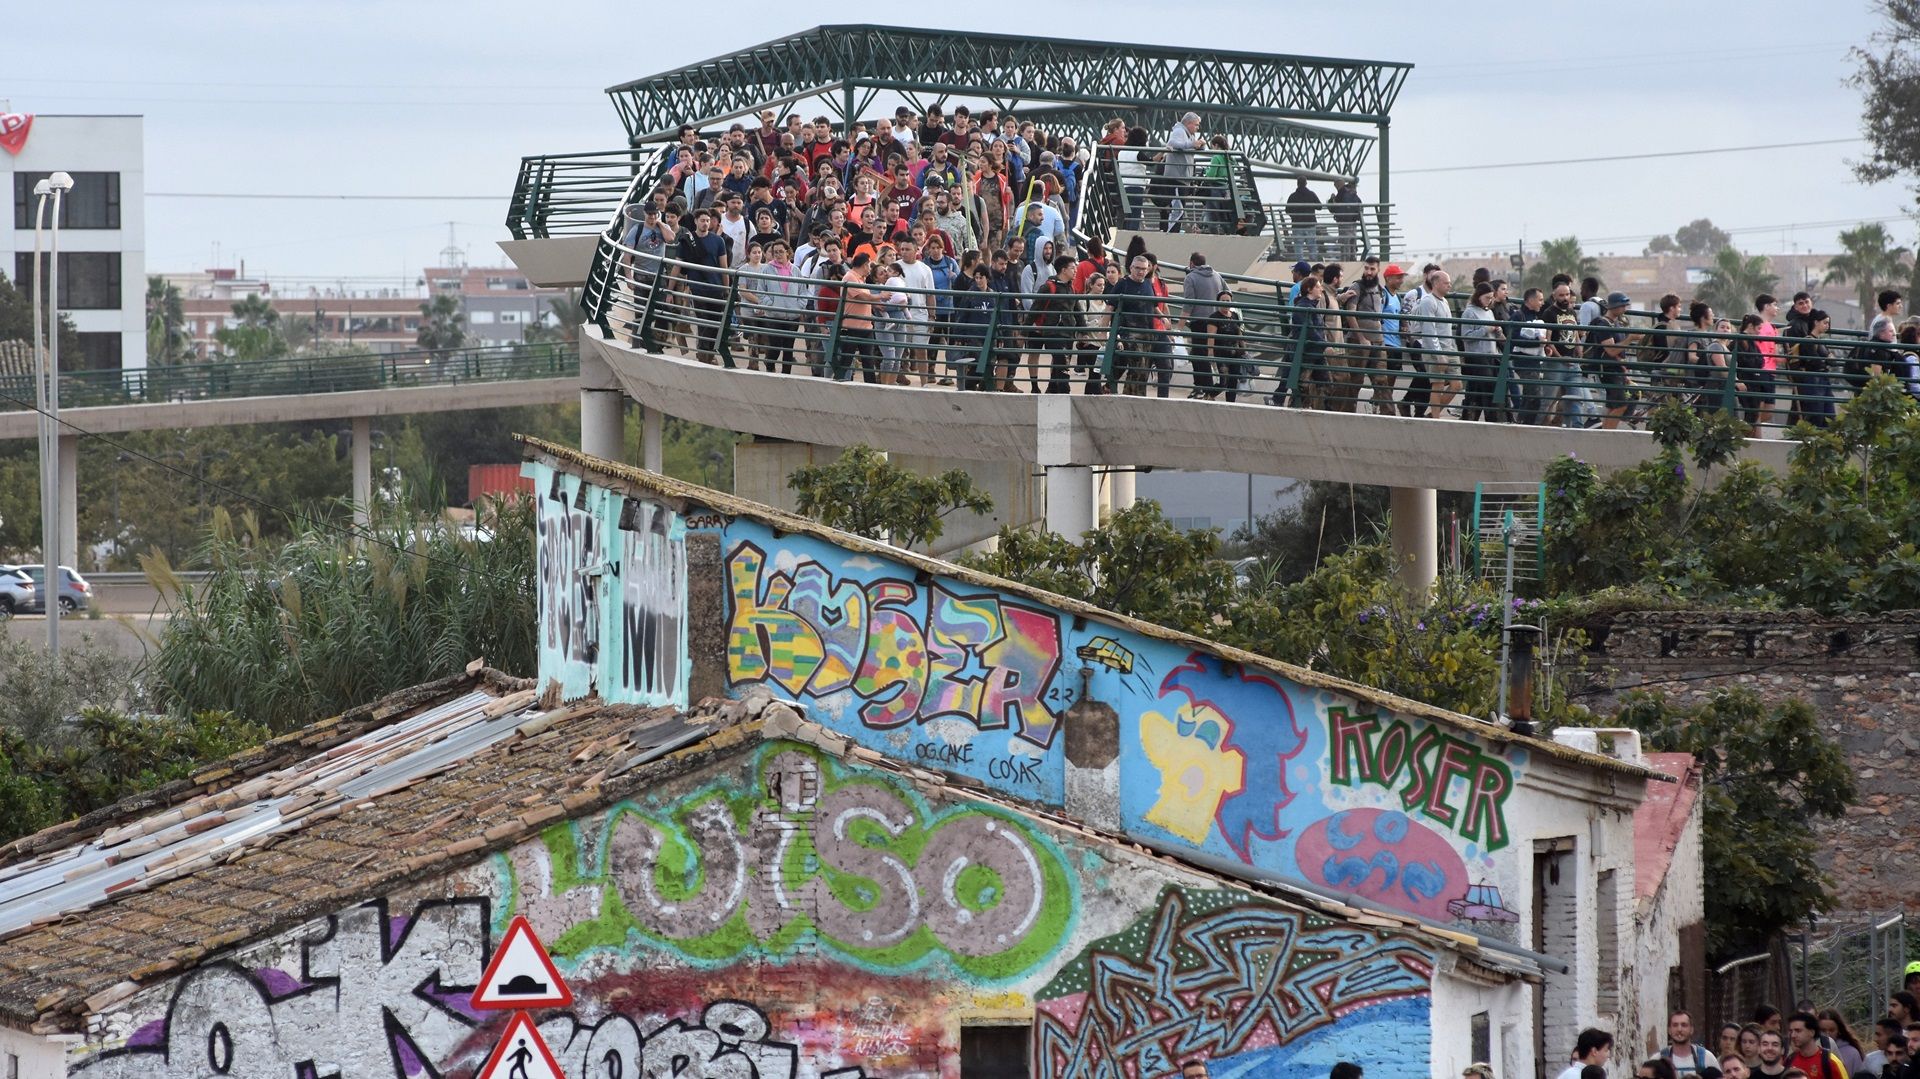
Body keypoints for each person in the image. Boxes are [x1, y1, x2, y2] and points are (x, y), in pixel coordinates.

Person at [1409, 269, 1460, 418]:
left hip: (1449, 348)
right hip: (1435, 351)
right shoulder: (1428, 301)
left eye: (1450, 283)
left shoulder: (1444, 301)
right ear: (1436, 284)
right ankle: (1435, 419)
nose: (1449, 286)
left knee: (1457, 385)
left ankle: (1432, 415)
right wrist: (1438, 354)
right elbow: (1429, 330)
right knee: (1437, 385)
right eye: (1446, 283)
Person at [1585, 291, 1634, 429]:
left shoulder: (1615, 323)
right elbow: (1611, 350)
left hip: (1616, 369)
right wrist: (1630, 339)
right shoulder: (1603, 324)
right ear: (1615, 306)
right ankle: (1607, 435)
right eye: (1623, 305)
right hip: (1608, 370)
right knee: (1621, 405)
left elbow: (1616, 352)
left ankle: (1603, 433)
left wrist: (1623, 369)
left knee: (1612, 405)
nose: (1625, 309)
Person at [1182, 252, 1226, 398]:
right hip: (1217, 321)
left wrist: (1179, 327)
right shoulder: (1217, 275)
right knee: (1207, 354)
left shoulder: (1191, 277)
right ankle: (1205, 387)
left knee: (1199, 356)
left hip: (1199, 323)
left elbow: (1189, 304)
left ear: (1191, 263)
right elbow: (1228, 293)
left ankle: (1205, 389)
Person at [1793, 309, 1838, 427]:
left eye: (1828, 323)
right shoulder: (1809, 341)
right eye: (1825, 322)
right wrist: (1826, 359)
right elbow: (1815, 361)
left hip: (1821, 379)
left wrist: (1825, 360)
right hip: (1814, 379)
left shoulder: (1819, 342)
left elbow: (1829, 361)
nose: (1827, 326)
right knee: (1816, 413)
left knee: (1829, 414)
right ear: (1816, 322)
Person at [1786, 1012, 1849, 1079]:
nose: (1793, 1035)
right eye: (1791, 1031)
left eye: (1798, 1031)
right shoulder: (1789, 1061)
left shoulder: (1831, 1061)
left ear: (1812, 1032)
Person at [1666, 1010, 1724, 1077]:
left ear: (1691, 1029)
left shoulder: (1707, 1057)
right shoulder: (1659, 1058)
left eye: (1684, 1025)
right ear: (1669, 1030)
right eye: (1675, 1025)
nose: (1679, 1029)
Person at [1821, 1011, 1866, 1077]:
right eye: (1823, 1030)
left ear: (1839, 1030)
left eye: (1832, 1030)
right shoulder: (1812, 1051)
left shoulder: (1852, 1053)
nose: (1827, 1034)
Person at [1286, 177, 1322, 260]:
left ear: (1297, 184)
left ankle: (1300, 263)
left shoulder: (1293, 196)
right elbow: (1319, 206)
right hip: (1310, 224)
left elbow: (1287, 210)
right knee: (1312, 245)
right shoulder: (1311, 194)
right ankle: (1313, 262)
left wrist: (1294, 216)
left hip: (1297, 225)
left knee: (1298, 246)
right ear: (1306, 183)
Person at [1329, 180, 1365, 259]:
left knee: (1345, 244)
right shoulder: (1354, 194)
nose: (1335, 186)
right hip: (1353, 222)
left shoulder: (1341, 193)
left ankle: (1346, 260)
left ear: (1339, 184)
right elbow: (1360, 207)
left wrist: (1332, 199)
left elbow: (1333, 208)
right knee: (1352, 242)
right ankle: (1353, 258)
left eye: (1335, 185)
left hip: (1343, 222)